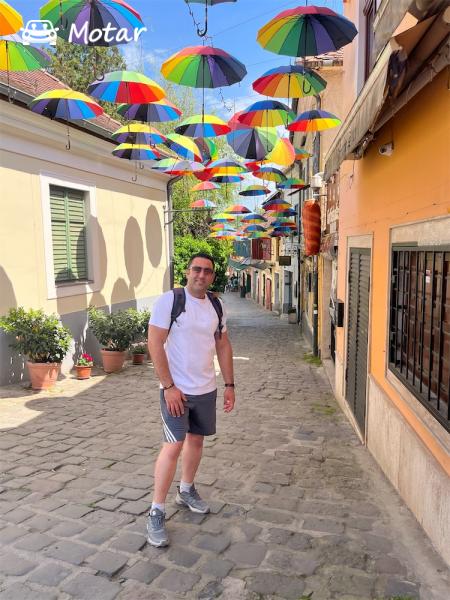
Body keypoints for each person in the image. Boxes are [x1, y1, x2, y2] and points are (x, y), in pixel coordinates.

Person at [147, 252, 236, 547]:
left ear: (213, 276)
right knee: (173, 446)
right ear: (187, 272)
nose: (201, 275)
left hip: (206, 388)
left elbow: (223, 345)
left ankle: (186, 490)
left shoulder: (217, 306)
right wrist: (168, 386)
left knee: (196, 441)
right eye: (196, 269)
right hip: (177, 390)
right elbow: (154, 342)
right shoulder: (170, 301)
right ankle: (156, 511)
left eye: (207, 271)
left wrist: (229, 384)